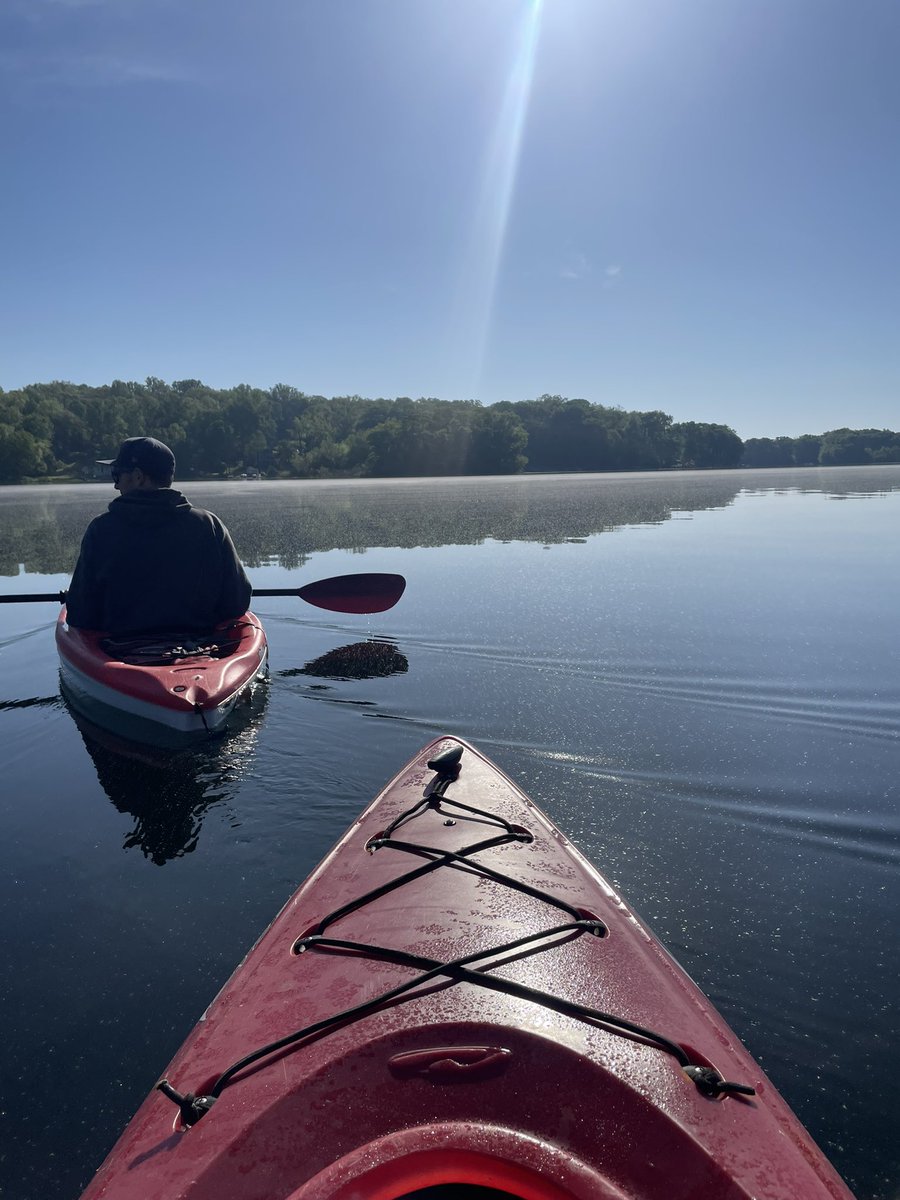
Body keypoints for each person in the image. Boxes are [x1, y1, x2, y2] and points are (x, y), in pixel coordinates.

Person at [65, 437, 252, 634]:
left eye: (117, 475)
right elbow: (237, 601)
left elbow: (80, 614)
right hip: (200, 649)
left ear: (138, 477)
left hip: (119, 651)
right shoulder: (209, 525)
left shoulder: (101, 530)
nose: (116, 486)